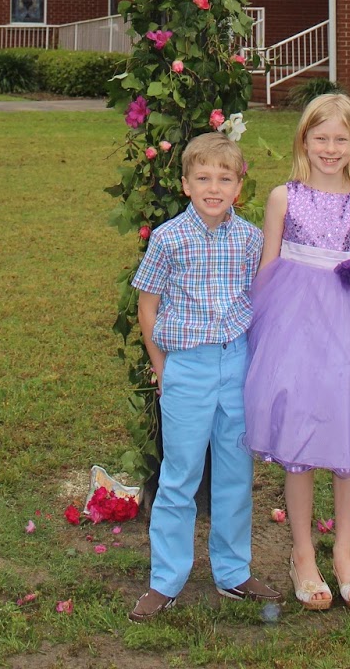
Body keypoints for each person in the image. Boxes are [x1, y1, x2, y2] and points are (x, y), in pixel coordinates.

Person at [243, 93, 350, 611]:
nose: (331, 148)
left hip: (348, 335)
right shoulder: (284, 198)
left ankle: (343, 552)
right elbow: (267, 270)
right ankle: (302, 554)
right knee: (298, 438)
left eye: (341, 139)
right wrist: (261, 340)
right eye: (321, 138)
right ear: (304, 140)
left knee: (347, 437)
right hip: (294, 333)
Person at [128, 132, 283, 621]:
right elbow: (147, 305)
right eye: (203, 178)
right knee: (180, 475)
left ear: (239, 186)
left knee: (236, 472)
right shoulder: (168, 238)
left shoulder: (251, 239)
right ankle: (166, 580)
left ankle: (233, 571)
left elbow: (261, 301)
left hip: (236, 364)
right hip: (187, 368)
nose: (213, 188)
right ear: (186, 184)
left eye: (224, 178)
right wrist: (163, 367)